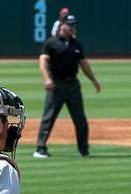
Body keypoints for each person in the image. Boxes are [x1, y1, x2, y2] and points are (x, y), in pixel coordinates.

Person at [34, 15, 100, 158]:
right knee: (49, 117)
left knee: (80, 119)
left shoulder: (76, 44)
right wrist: (47, 79)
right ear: (62, 25)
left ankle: (84, 150)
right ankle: (40, 148)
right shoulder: (51, 43)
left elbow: (83, 64)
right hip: (56, 84)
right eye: (69, 24)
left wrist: (94, 80)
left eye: (73, 24)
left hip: (73, 85)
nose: (72, 27)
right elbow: (43, 61)